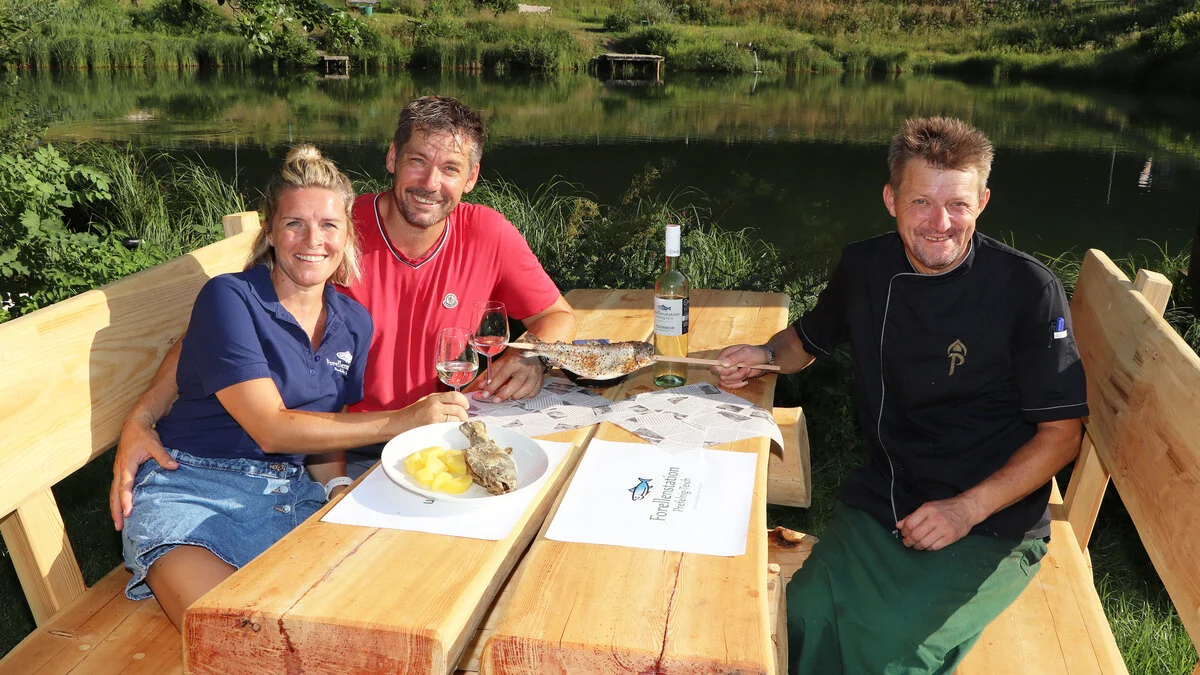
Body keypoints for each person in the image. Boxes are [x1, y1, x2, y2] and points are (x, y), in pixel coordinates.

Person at [713, 117, 1088, 674]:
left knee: (890, 657)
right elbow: (807, 340)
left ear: (982, 201)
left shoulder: (1027, 290)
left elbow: (1062, 436)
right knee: (801, 616)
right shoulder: (866, 267)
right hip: (885, 497)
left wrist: (966, 509)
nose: (940, 224)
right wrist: (766, 355)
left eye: (958, 204)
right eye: (920, 202)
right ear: (891, 199)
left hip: (990, 521)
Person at [110, 95, 575, 527]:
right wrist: (141, 418)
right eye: (418, 161)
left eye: (450, 168)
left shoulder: (488, 233)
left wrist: (532, 355)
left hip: (440, 440)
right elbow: (216, 333)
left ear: (470, 178)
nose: (431, 184)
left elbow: (557, 315)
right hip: (340, 447)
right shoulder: (332, 232)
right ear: (392, 157)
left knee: (542, 512)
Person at [119, 146, 469, 630]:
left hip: (292, 494)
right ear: (270, 232)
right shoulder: (231, 298)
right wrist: (404, 419)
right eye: (294, 224)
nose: (313, 240)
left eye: (329, 225)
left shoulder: (353, 323)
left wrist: (337, 488)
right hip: (192, 491)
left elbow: (326, 439)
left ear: (348, 234)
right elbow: (271, 429)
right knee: (234, 639)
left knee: (396, 610)